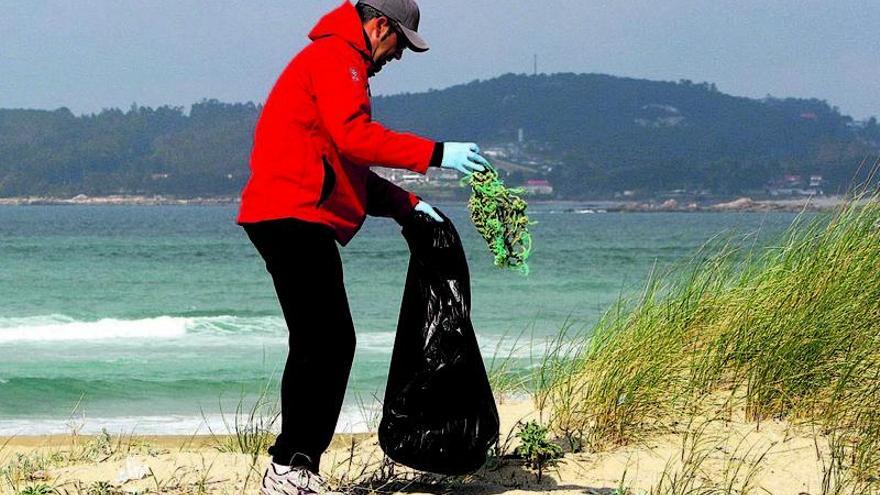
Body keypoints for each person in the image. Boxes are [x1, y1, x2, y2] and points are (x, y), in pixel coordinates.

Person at [236, 1, 490, 493]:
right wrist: (437, 153)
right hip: (292, 216)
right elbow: (356, 140)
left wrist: (408, 205)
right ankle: (290, 469)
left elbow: (346, 168)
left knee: (321, 341)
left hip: (290, 214)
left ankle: (293, 466)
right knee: (326, 341)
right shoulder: (338, 58)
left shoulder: (336, 61)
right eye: (400, 44)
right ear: (379, 26)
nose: (398, 57)